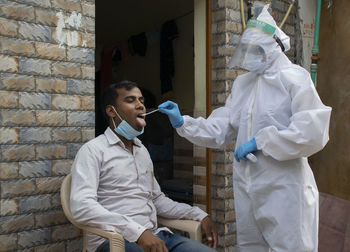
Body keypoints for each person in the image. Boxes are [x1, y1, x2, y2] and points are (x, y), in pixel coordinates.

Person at [158, 5, 331, 252]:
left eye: (256, 49)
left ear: (272, 48)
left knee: (291, 247)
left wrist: (262, 142)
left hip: (284, 185)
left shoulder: (294, 78)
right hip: (247, 184)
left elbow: (312, 131)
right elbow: (223, 126)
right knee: (250, 246)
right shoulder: (242, 84)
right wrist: (183, 122)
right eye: (247, 49)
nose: (250, 55)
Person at [70, 80, 218, 252]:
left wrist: (200, 215)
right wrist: (138, 233)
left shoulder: (142, 151)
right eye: (131, 100)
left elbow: (157, 200)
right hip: (115, 241)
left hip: (156, 236)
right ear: (111, 111)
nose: (140, 105)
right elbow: (81, 206)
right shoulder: (93, 150)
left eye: (141, 100)